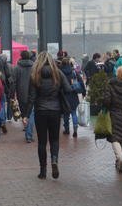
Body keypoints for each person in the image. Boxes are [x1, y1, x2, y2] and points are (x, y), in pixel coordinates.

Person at [22, 51, 72, 179]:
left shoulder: (35, 75)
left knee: (42, 142)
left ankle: (43, 171)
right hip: (55, 111)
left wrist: (26, 115)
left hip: (40, 111)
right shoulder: (57, 73)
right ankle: (54, 160)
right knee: (54, 140)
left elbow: (31, 98)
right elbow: (68, 90)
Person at [60, 57, 86, 137]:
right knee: (74, 113)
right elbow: (81, 82)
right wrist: (83, 92)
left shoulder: (60, 73)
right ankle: (75, 129)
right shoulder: (74, 72)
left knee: (65, 114)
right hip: (73, 95)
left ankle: (67, 130)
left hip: (64, 96)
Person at [13, 50, 35, 143]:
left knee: (24, 113)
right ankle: (29, 135)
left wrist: (12, 94)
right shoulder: (34, 67)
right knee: (31, 113)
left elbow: (13, 82)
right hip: (33, 93)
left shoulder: (17, 68)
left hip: (21, 93)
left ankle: (27, 130)